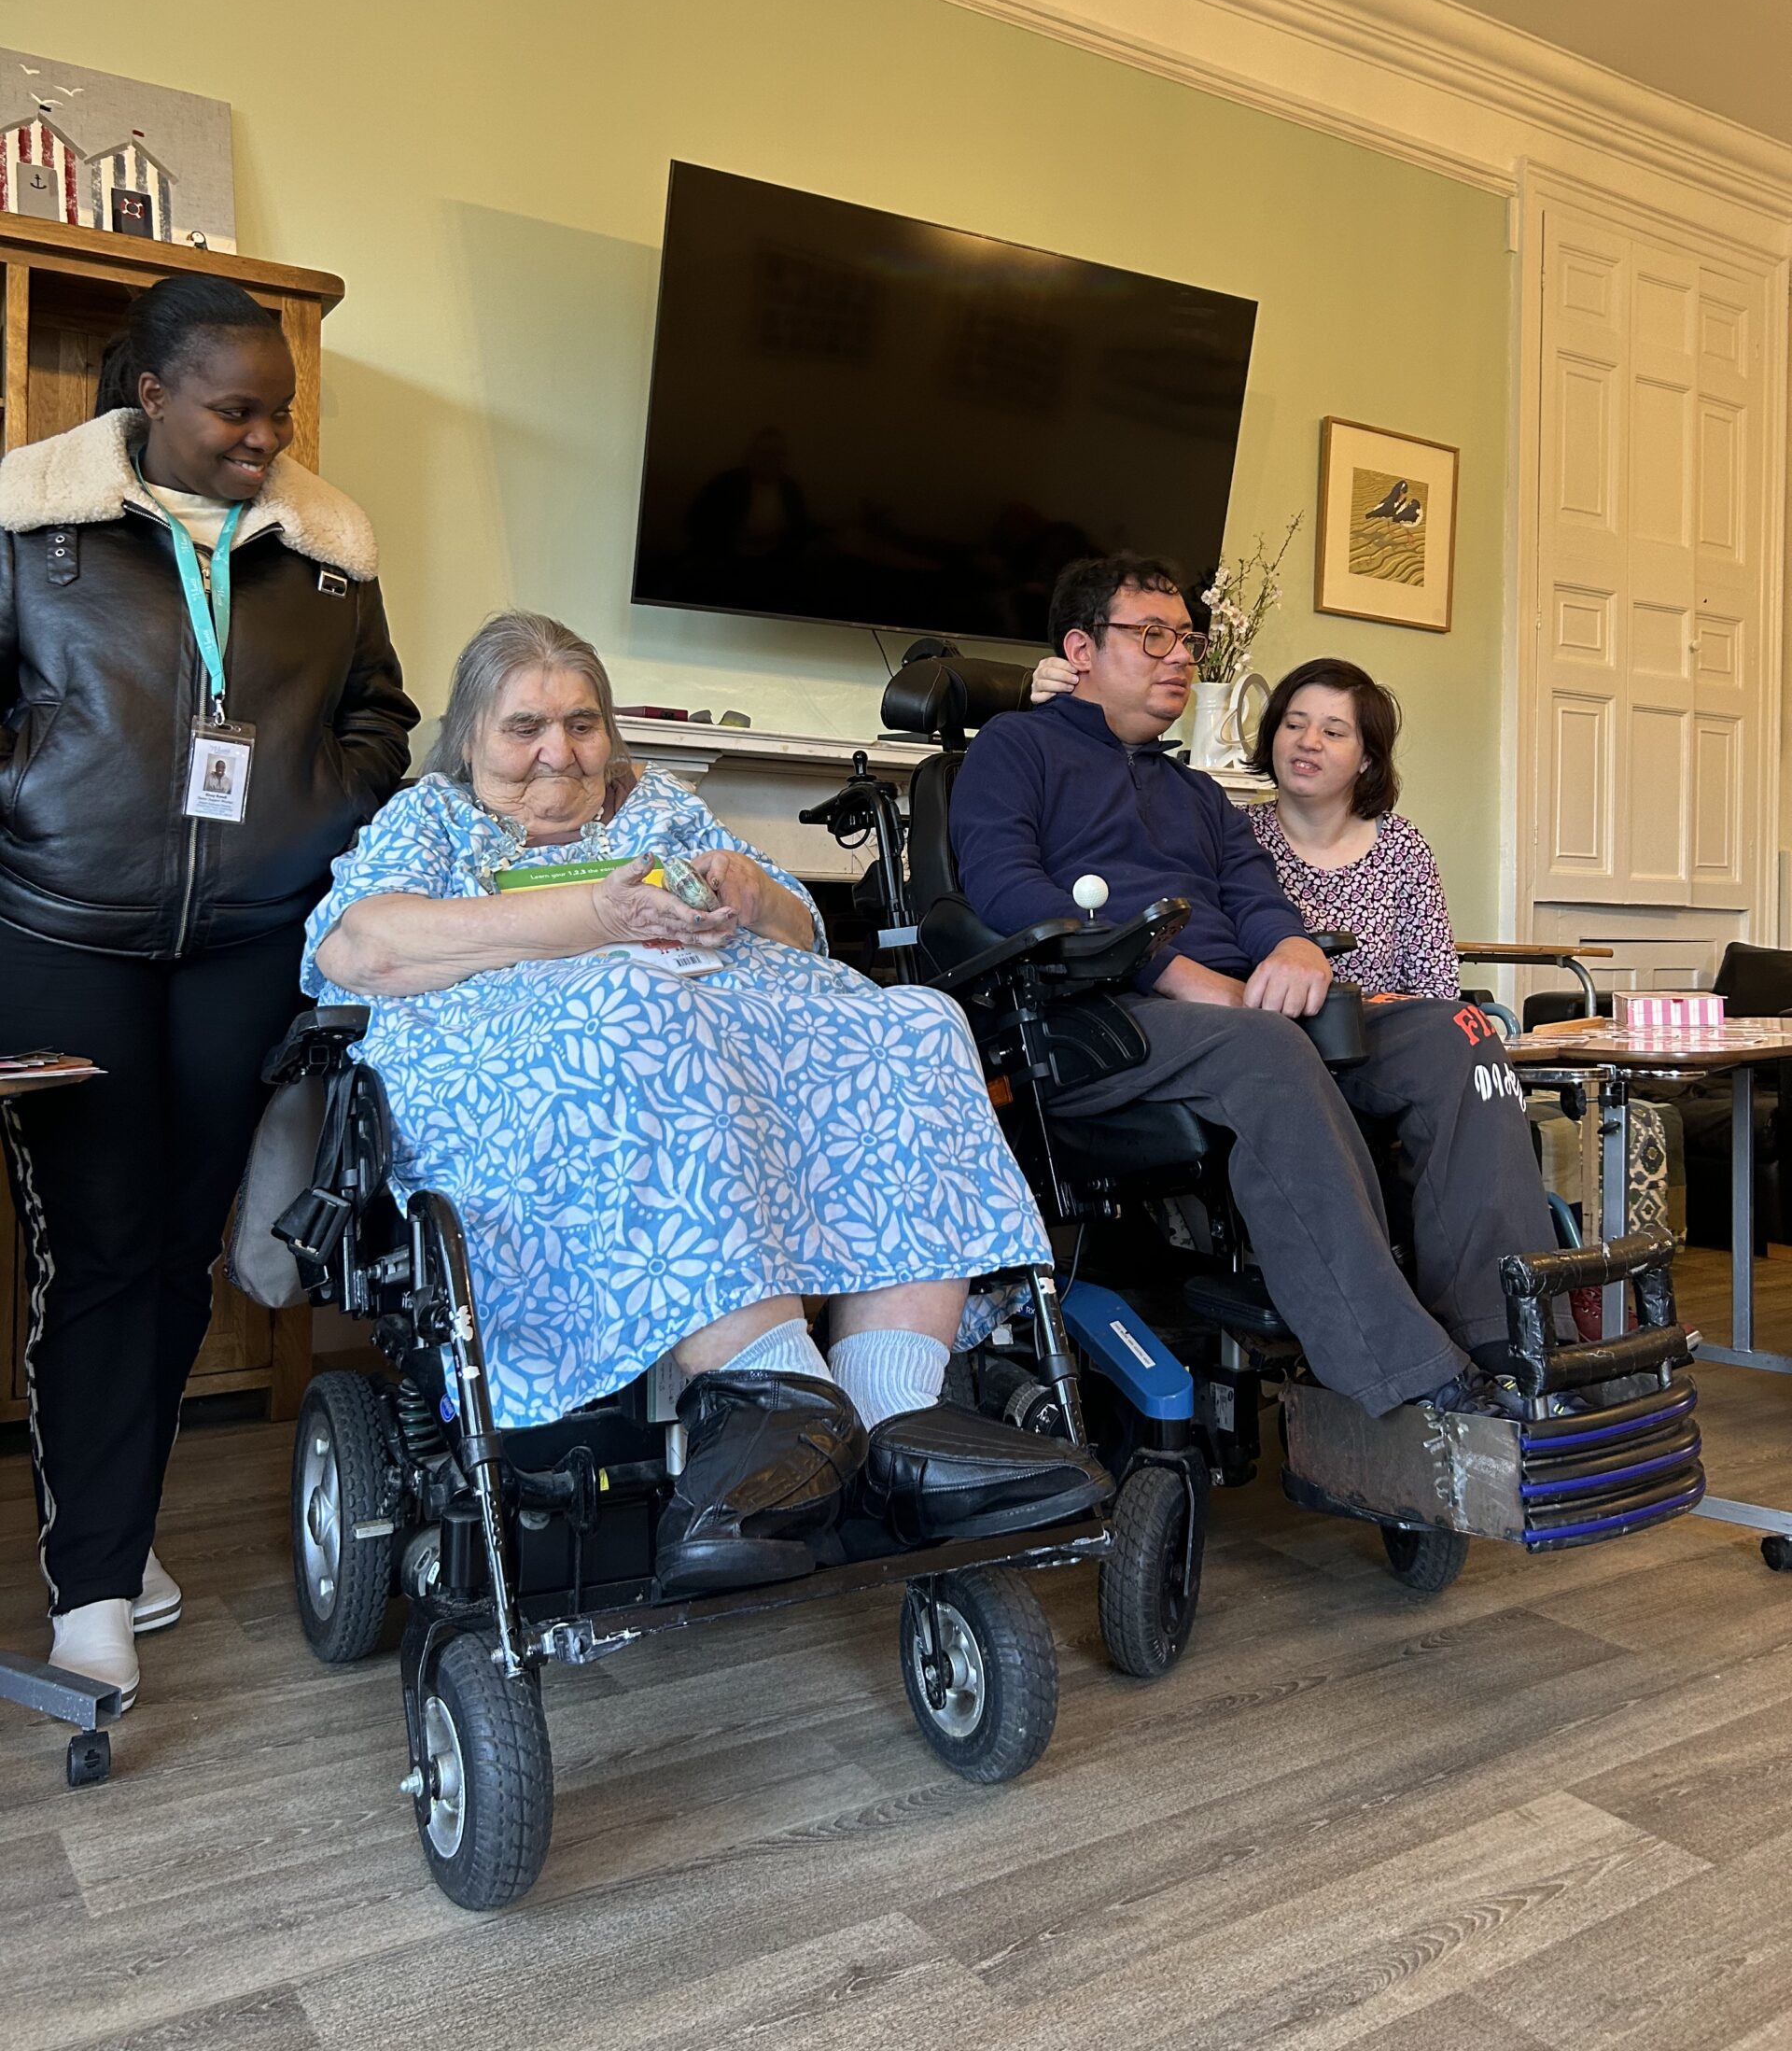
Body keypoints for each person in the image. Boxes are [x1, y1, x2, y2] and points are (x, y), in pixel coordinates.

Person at [304, 609, 1105, 1593]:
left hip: (729, 1046)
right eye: (524, 727)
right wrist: (592, 917)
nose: (559, 749)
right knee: (644, 998)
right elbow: (356, 950)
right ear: (470, 737)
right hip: (531, 1072)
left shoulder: (658, 808)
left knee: (921, 1023)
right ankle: (784, 1397)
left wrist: (744, 887)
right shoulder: (431, 822)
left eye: (584, 722)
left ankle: (892, 1415)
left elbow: (802, 929)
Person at [0, 273, 416, 1710]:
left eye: (279, 414)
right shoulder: (31, 523)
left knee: (180, 1246)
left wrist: (310, 808)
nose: (263, 441)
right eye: (235, 412)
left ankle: (110, 1522)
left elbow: (381, 717)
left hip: (248, 940)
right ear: (152, 396)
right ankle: (97, 1586)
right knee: (100, 1245)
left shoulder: (326, 548)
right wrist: (35, 793)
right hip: (63, 932)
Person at [955, 552, 1556, 1421]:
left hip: (1237, 1015)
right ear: (1081, 650)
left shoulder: (1197, 792)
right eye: (1151, 634)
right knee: (1267, 1046)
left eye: (1186, 638)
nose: (1178, 657)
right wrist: (1173, 971)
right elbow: (1006, 890)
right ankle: (1413, 1376)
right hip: (1096, 1020)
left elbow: (1256, 897)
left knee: (1454, 1033)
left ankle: (1508, 1340)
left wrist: (1295, 950)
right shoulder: (1015, 749)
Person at [1245, 658, 1459, 999]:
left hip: (1383, 1042)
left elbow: (1437, 989)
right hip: (1262, 1039)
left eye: (1333, 733)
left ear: (1366, 759)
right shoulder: (1235, 834)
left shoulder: (1402, 847)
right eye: (1294, 725)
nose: (1309, 742)